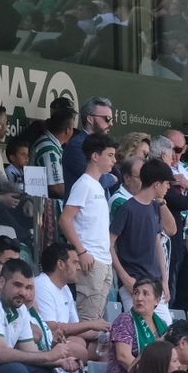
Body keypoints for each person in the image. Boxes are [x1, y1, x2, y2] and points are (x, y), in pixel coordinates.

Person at [59, 132, 117, 322]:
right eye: (109, 155)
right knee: (88, 319)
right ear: (95, 156)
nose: (114, 160)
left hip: (103, 260)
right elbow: (65, 219)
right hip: (91, 259)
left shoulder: (97, 185)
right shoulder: (83, 184)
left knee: (97, 318)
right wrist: (82, 252)